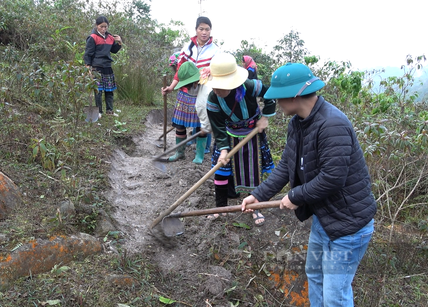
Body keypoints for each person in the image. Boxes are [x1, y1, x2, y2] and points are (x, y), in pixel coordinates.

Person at [241, 63, 377, 306]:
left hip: (349, 226)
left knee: (335, 295)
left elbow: (332, 178)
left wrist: (295, 196)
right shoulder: (298, 123)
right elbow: (286, 165)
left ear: (294, 96)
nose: (277, 103)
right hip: (325, 219)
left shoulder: (332, 124)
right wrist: (258, 196)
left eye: (279, 97)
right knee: (315, 276)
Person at [206, 52, 276, 225]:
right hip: (229, 135)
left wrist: (264, 118)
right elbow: (218, 127)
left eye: (221, 87)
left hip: (253, 134)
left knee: (254, 170)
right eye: (215, 86)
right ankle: (219, 208)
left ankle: (255, 208)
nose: (216, 90)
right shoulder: (213, 99)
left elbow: (271, 95)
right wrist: (223, 149)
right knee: (221, 170)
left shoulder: (251, 86)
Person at [161, 16, 218, 164]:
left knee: (201, 124)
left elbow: (217, 71)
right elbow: (180, 71)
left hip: (202, 90)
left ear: (210, 31)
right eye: (201, 29)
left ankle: (199, 155)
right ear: (196, 30)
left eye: (207, 29)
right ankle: (180, 152)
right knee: (180, 124)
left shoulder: (215, 51)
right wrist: (171, 87)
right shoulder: (187, 48)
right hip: (185, 91)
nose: (204, 32)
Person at [83, 16, 123, 117]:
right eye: (101, 27)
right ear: (97, 26)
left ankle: (110, 111)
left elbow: (113, 50)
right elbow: (88, 53)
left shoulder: (110, 37)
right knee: (98, 91)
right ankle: (99, 112)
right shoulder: (92, 37)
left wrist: (119, 42)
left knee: (109, 90)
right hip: (96, 67)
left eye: (106, 27)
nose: (104, 29)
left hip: (107, 66)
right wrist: (88, 66)